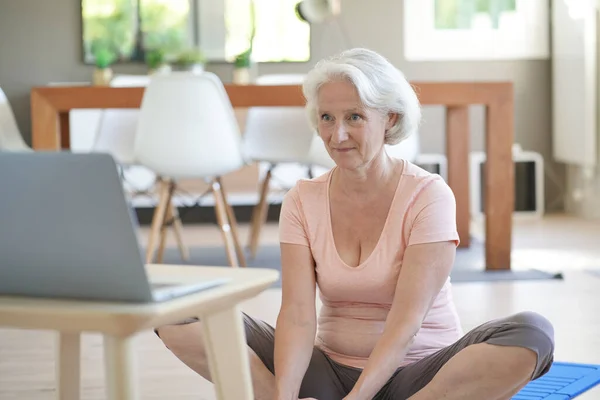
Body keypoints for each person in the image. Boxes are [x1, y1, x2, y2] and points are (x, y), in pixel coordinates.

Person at [155, 48, 555, 400]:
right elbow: (296, 314)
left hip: (418, 377)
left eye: (355, 117)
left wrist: (361, 397)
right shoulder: (302, 199)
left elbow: (406, 323)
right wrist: (283, 394)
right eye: (327, 117)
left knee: (533, 333)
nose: (338, 134)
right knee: (174, 309)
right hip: (327, 373)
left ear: (390, 119)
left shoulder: (429, 195)